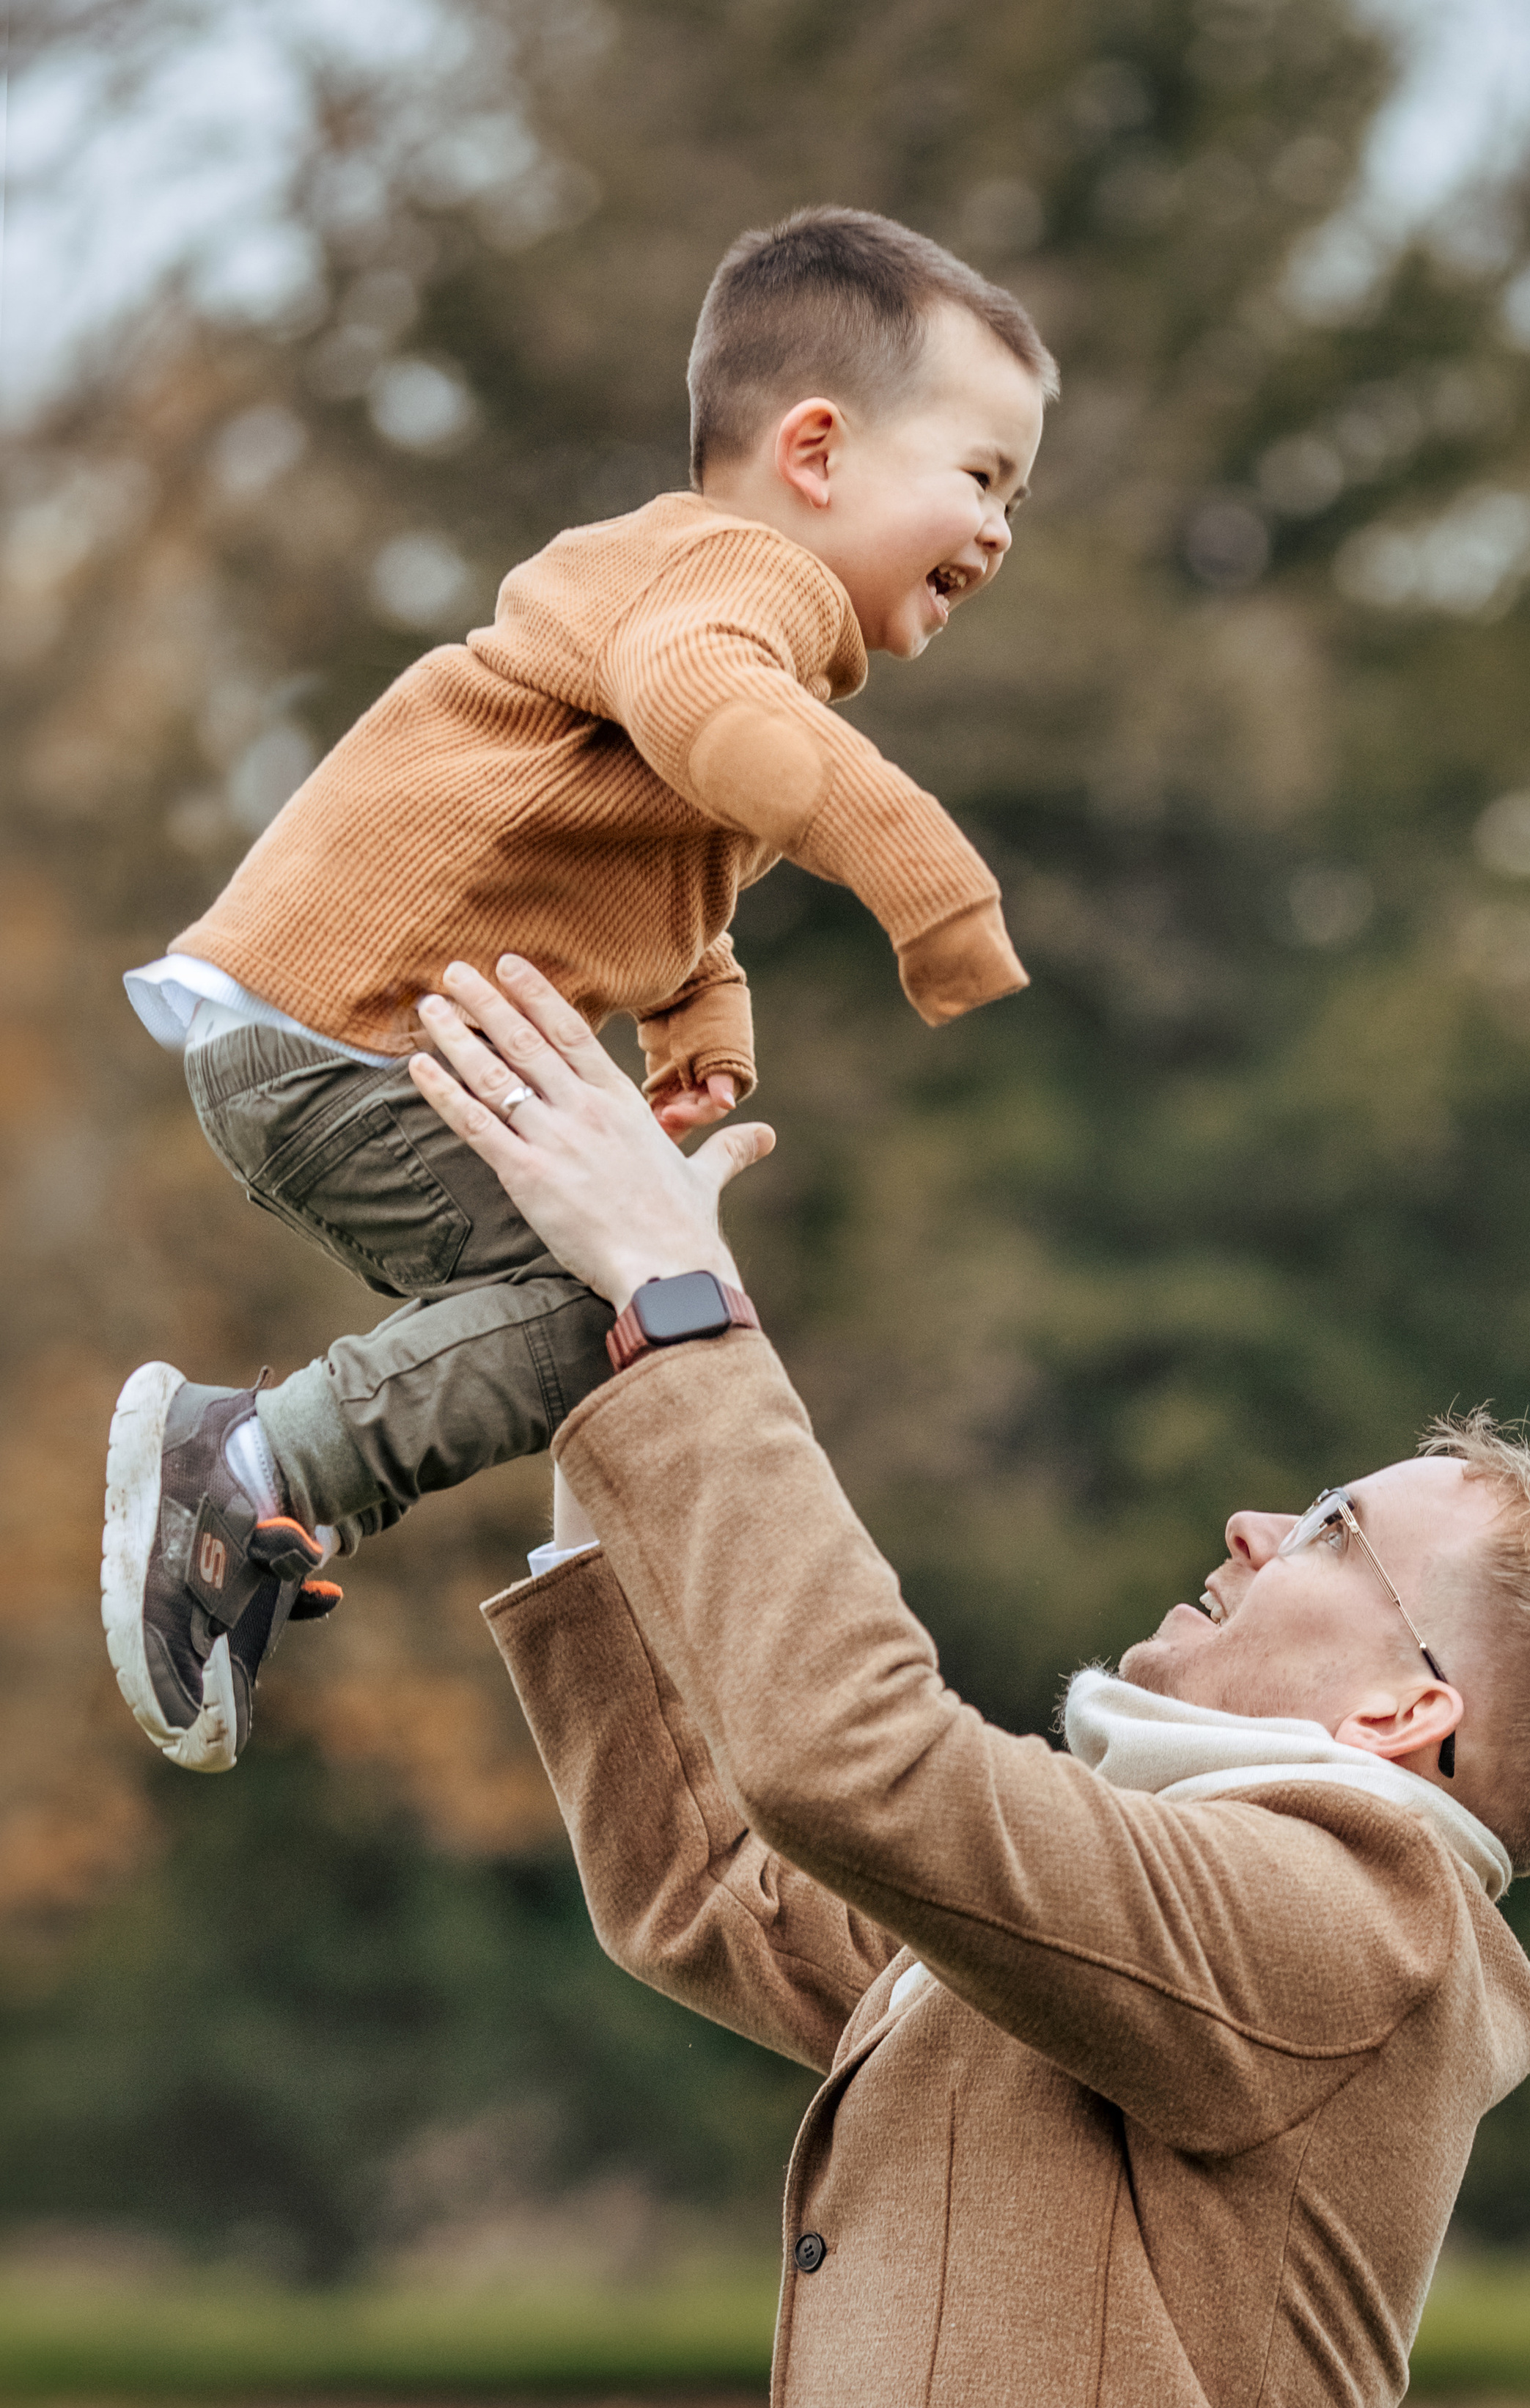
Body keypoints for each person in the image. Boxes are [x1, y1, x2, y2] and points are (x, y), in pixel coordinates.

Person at [403, 955, 1530, 2408]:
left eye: (1328, 1530)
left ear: (1410, 1707)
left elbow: (863, 1765)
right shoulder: (1174, 1924)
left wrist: (691, 1313)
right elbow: (724, 1892)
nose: (1253, 1524)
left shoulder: (1361, 1917)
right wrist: (611, 1395)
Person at [101, 207, 1054, 1772]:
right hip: (360, 1032)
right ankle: (247, 1460)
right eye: (981, 475)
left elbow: (667, 865)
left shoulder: (702, 599)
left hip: (310, 1030)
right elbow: (716, 727)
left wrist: (699, 1029)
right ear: (814, 450)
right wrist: (931, 889)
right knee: (619, 1311)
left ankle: (264, 1485)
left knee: (578, 1312)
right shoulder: (735, 587)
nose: (1003, 528)